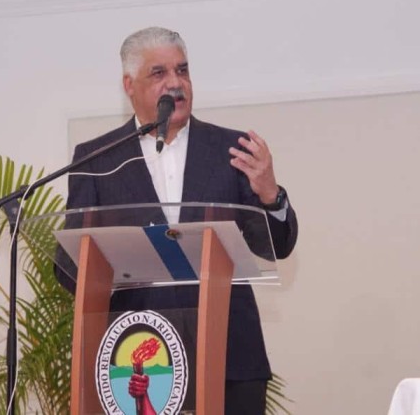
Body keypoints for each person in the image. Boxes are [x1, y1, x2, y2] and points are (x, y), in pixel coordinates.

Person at [57, 26, 298, 414]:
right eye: (159, 73)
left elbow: (276, 246)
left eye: (182, 70)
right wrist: (111, 266)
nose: (176, 83)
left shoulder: (232, 150)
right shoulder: (97, 159)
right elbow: (70, 268)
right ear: (129, 84)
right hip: (138, 360)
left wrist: (270, 195)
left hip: (229, 357)